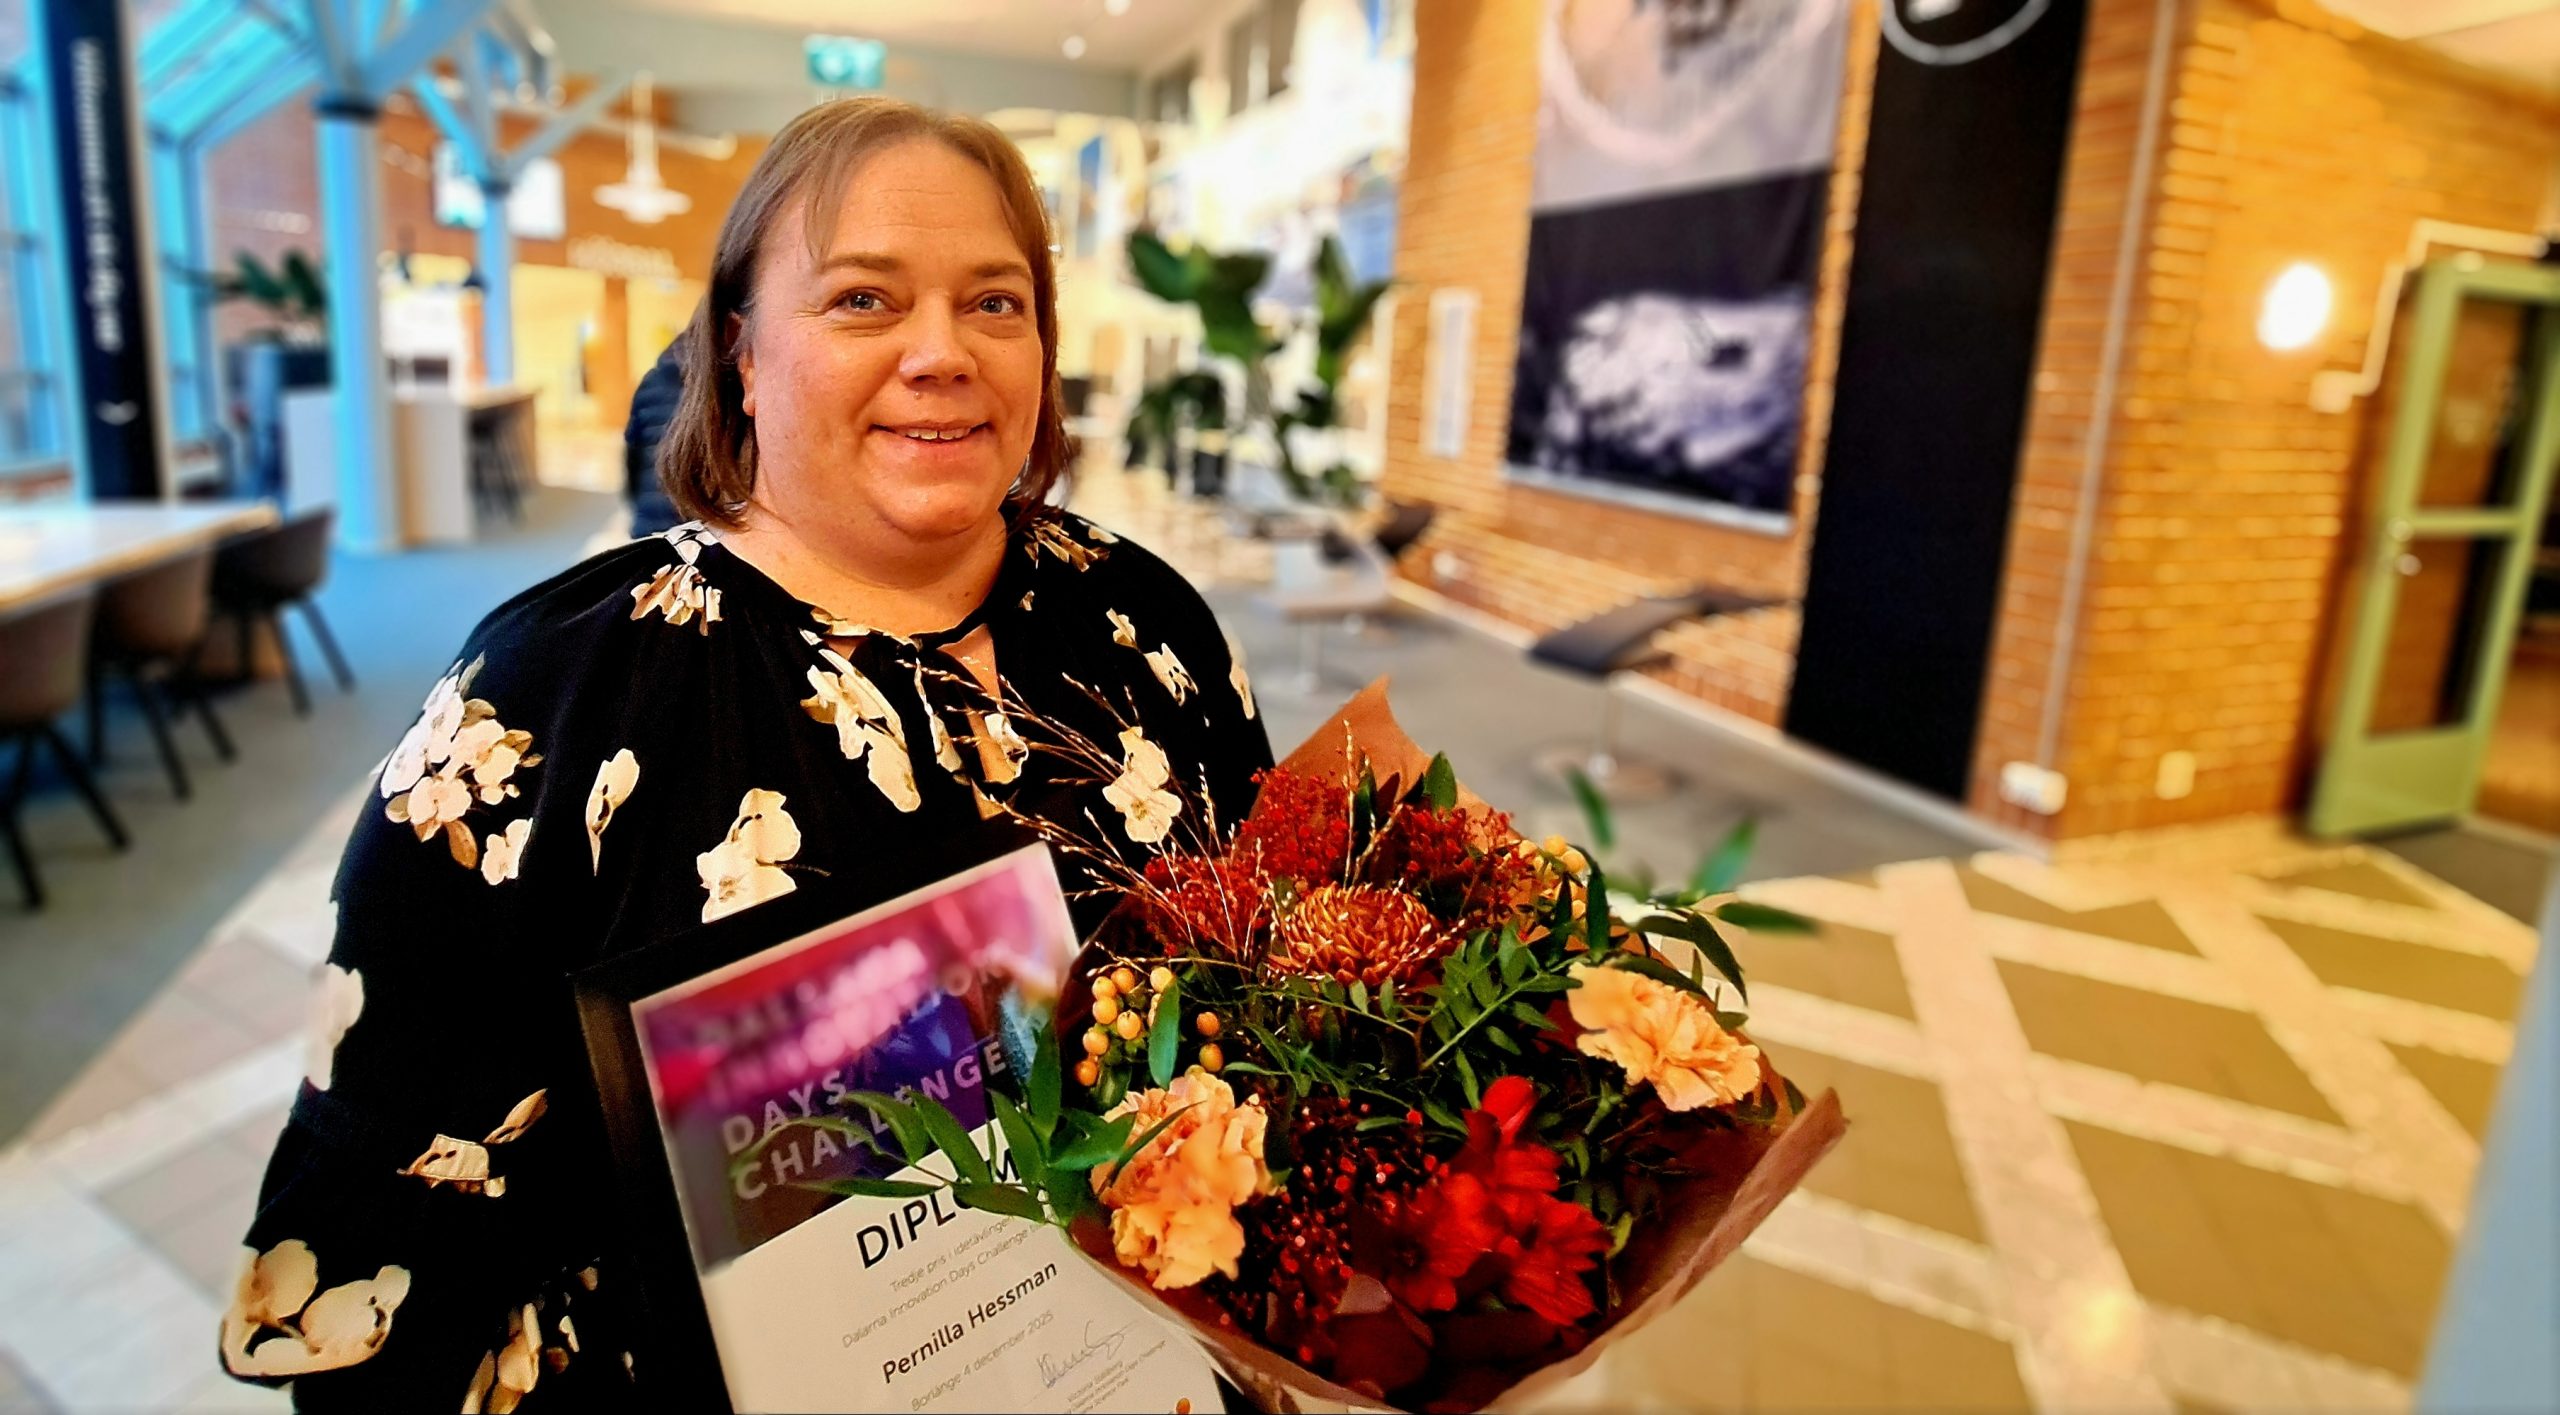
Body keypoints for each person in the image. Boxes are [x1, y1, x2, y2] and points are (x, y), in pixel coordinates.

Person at [221, 97, 1271, 1408]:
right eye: (863, 300)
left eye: (995, 303)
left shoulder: (1144, 620)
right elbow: (390, 1254)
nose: (942, 352)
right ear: (740, 353)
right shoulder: (551, 703)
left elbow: (1271, 998)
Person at [622, 336, 687, 538]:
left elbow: (632, 451)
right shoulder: (714, 386)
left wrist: (635, 499)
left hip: (648, 519)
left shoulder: (650, 382)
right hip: (690, 523)